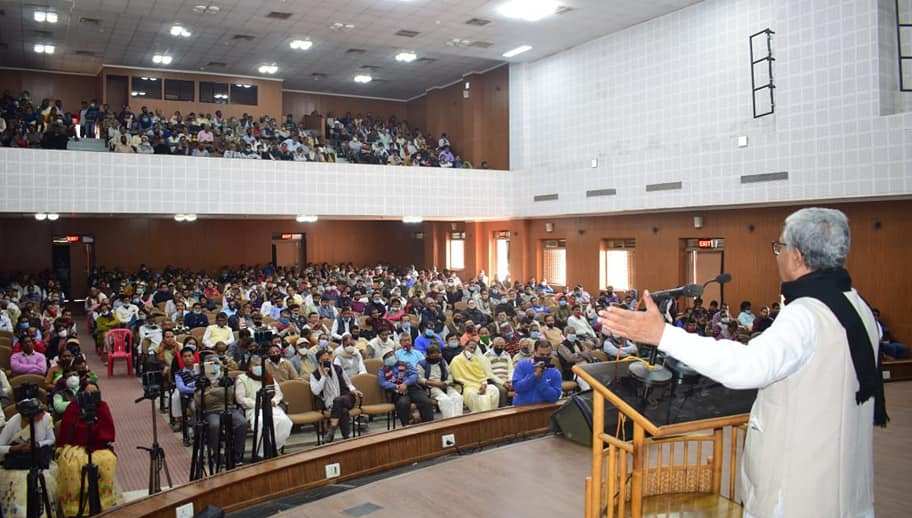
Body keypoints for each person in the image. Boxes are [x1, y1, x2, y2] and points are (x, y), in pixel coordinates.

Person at [601, 208, 884, 518]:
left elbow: (747, 366)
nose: (778, 256)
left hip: (798, 491)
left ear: (797, 256)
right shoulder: (857, 307)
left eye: (780, 248)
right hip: (841, 483)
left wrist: (663, 335)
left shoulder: (806, 315)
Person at [56, 382, 118, 515]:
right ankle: (77, 508)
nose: (91, 396)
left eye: (94, 393)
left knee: (107, 461)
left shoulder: (102, 406)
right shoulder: (73, 407)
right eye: (88, 393)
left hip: (98, 446)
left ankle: (104, 503)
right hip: (75, 446)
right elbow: (69, 430)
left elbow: (107, 429)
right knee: (72, 465)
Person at [0, 398, 57, 518]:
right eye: (38, 413)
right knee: (20, 487)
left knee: (42, 482)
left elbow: (51, 440)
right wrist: (16, 448)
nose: (42, 415)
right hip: (18, 464)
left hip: (39, 460)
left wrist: (37, 444)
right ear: (26, 417)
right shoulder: (14, 422)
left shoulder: (46, 418)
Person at [234, 356, 293, 454]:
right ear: (249, 367)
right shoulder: (242, 379)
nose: (258, 367)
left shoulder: (268, 376)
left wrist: (274, 401)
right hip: (254, 409)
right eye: (255, 365)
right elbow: (240, 398)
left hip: (271, 406)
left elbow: (278, 393)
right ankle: (262, 452)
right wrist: (258, 404)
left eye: (260, 365)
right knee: (262, 422)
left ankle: (274, 447)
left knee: (284, 421)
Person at [196, 358, 247, 466]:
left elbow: (229, 394)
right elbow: (200, 399)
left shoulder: (225, 378)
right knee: (215, 425)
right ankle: (217, 455)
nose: (212, 368)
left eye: (215, 365)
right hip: (211, 411)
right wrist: (219, 391)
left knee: (242, 423)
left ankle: (237, 456)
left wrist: (210, 391)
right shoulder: (202, 379)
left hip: (229, 409)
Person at [310, 348, 363, 442]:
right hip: (331, 403)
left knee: (338, 400)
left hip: (346, 397)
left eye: (328, 359)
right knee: (343, 410)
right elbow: (316, 391)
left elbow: (348, 382)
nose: (327, 361)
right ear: (319, 361)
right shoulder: (314, 374)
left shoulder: (338, 368)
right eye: (324, 360)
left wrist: (354, 390)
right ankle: (347, 438)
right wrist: (323, 376)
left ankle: (332, 428)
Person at [378, 351, 434, 426]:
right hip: (397, 392)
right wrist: (396, 386)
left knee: (426, 401)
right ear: (384, 360)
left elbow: (414, 375)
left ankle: (429, 425)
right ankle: (406, 427)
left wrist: (405, 384)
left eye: (392, 355)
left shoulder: (406, 364)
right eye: (388, 356)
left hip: (412, 387)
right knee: (403, 404)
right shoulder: (382, 370)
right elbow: (382, 383)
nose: (390, 357)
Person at [449, 340, 500, 412]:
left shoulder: (475, 359)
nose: (472, 350)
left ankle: (492, 414)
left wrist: (484, 384)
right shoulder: (456, 360)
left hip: (480, 384)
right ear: (465, 346)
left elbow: (482, 375)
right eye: (470, 347)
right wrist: (477, 387)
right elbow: (457, 378)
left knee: (494, 390)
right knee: (482, 399)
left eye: (474, 348)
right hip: (468, 387)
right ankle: (484, 419)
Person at [418, 344, 464, 418]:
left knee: (457, 397)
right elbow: (419, 379)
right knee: (445, 400)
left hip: (445, 384)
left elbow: (449, 374)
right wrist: (435, 383)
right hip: (431, 387)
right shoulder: (422, 364)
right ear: (428, 355)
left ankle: (458, 419)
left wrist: (446, 382)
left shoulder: (442, 361)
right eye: (433, 354)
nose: (436, 356)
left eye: (437, 353)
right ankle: (449, 420)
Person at [512, 340, 563, 405]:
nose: (545, 357)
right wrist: (534, 376)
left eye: (548, 355)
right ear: (534, 352)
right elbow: (517, 388)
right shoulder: (521, 365)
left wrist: (541, 380)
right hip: (522, 408)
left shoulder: (555, 372)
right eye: (541, 355)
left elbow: (554, 397)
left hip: (544, 408)